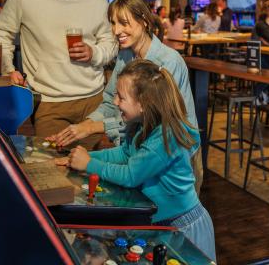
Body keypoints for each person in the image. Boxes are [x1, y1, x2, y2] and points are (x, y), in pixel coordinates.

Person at [57, 59, 216, 261]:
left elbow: (131, 174)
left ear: (143, 104)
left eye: (121, 97)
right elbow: (124, 154)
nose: (115, 102)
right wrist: (79, 157)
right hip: (162, 222)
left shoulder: (165, 136)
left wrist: (88, 163)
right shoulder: (144, 125)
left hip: (182, 227)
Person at [47, 0, 202, 190]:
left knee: (174, 218)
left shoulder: (167, 62)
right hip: (140, 151)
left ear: (144, 21)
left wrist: (90, 129)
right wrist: (81, 127)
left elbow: (149, 118)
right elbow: (111, 99)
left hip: (176, 158)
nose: (116, 30)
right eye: (113, 23)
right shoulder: (125, 54)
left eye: (123, 23)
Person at [0, 0, 118, 143]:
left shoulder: (97, 1)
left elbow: (110, 43)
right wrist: (8, 68)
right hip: (48, 104)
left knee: (95, 169)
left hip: (94, 102)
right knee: (53, 169)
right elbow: (2, 33)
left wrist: (94, 53)